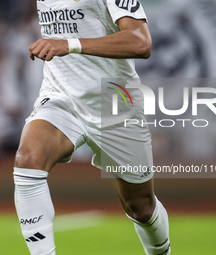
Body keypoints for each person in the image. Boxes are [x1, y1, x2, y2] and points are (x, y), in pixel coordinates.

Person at [13, 1, 170, 254]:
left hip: (114, 103)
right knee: (28, 158)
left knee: (141, 208)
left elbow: (141, 42)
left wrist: (70, 44)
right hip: (61, 95)